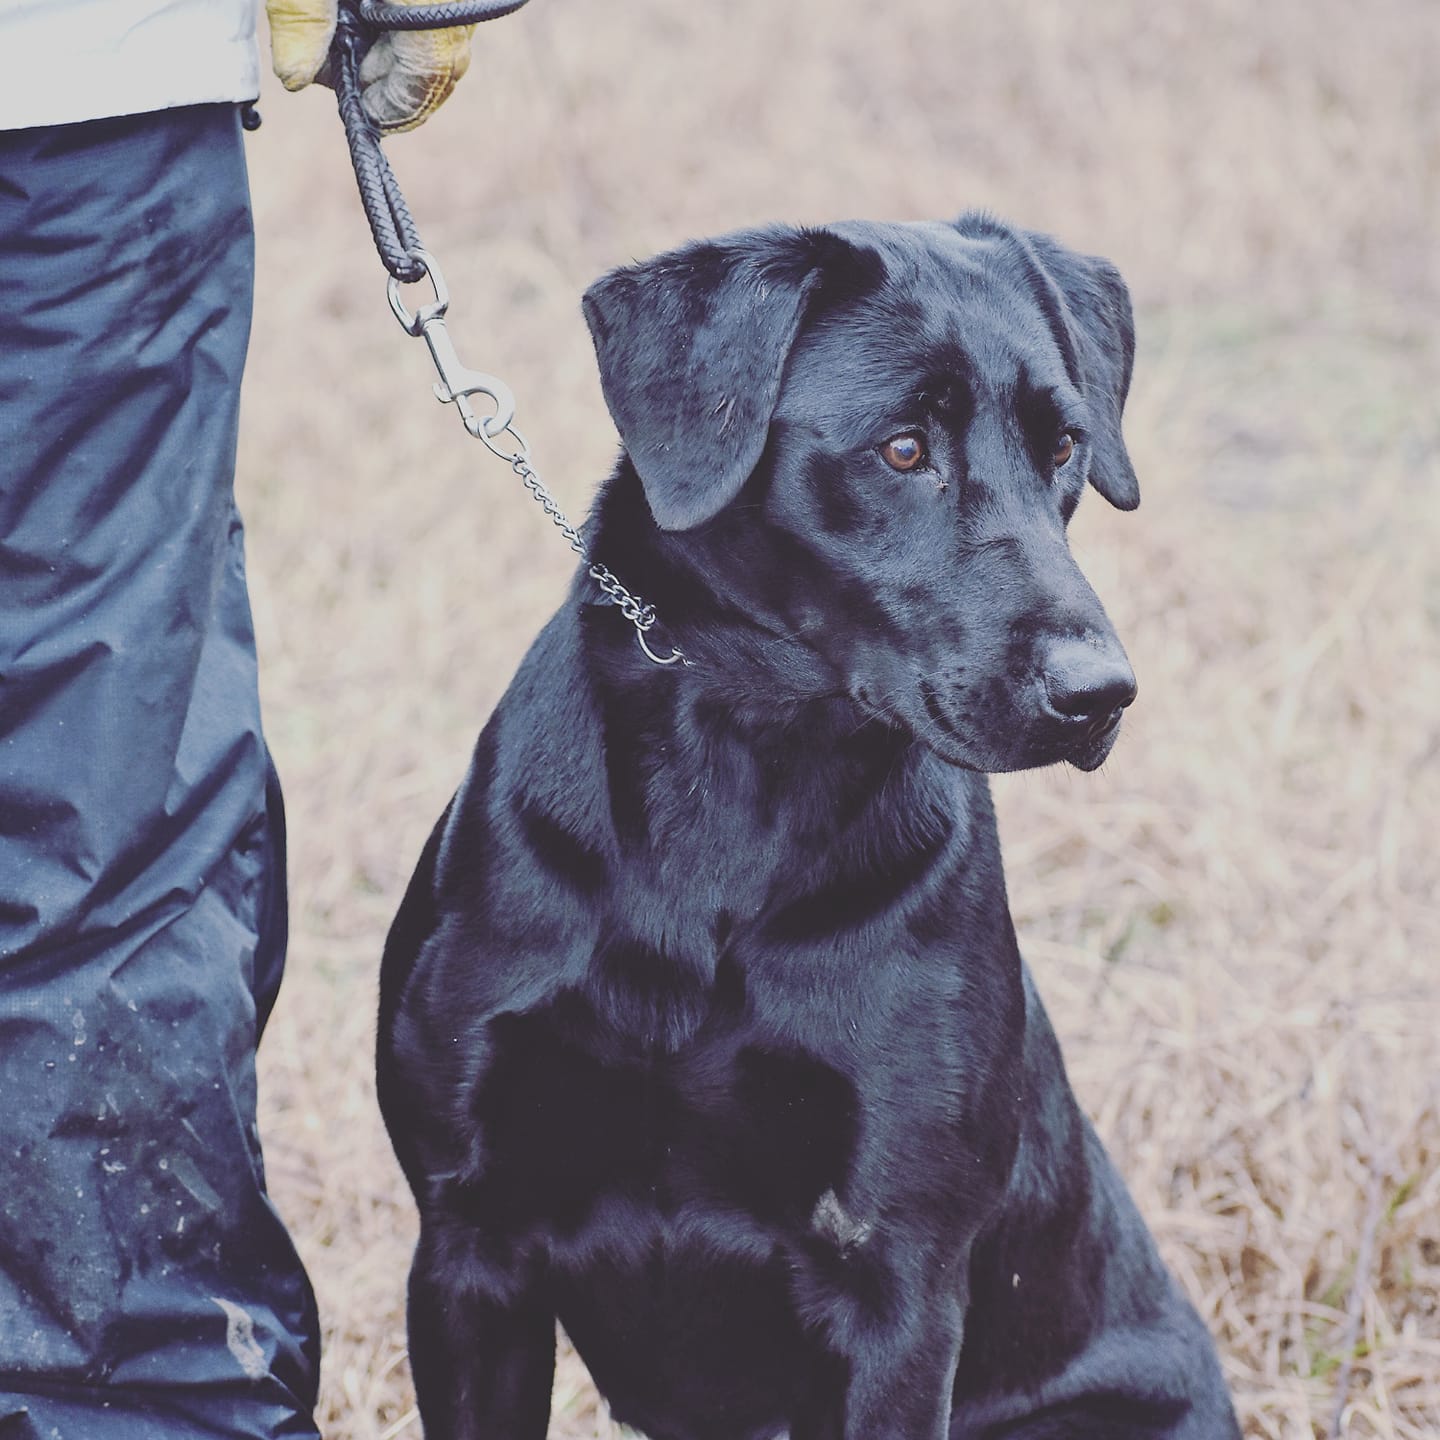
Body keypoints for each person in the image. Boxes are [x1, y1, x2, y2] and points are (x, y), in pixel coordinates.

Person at [0, 3, 475, 1433]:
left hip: (79, 107)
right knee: (106, 786)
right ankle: (124, 1400)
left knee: (109, 778)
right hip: (76, 103)